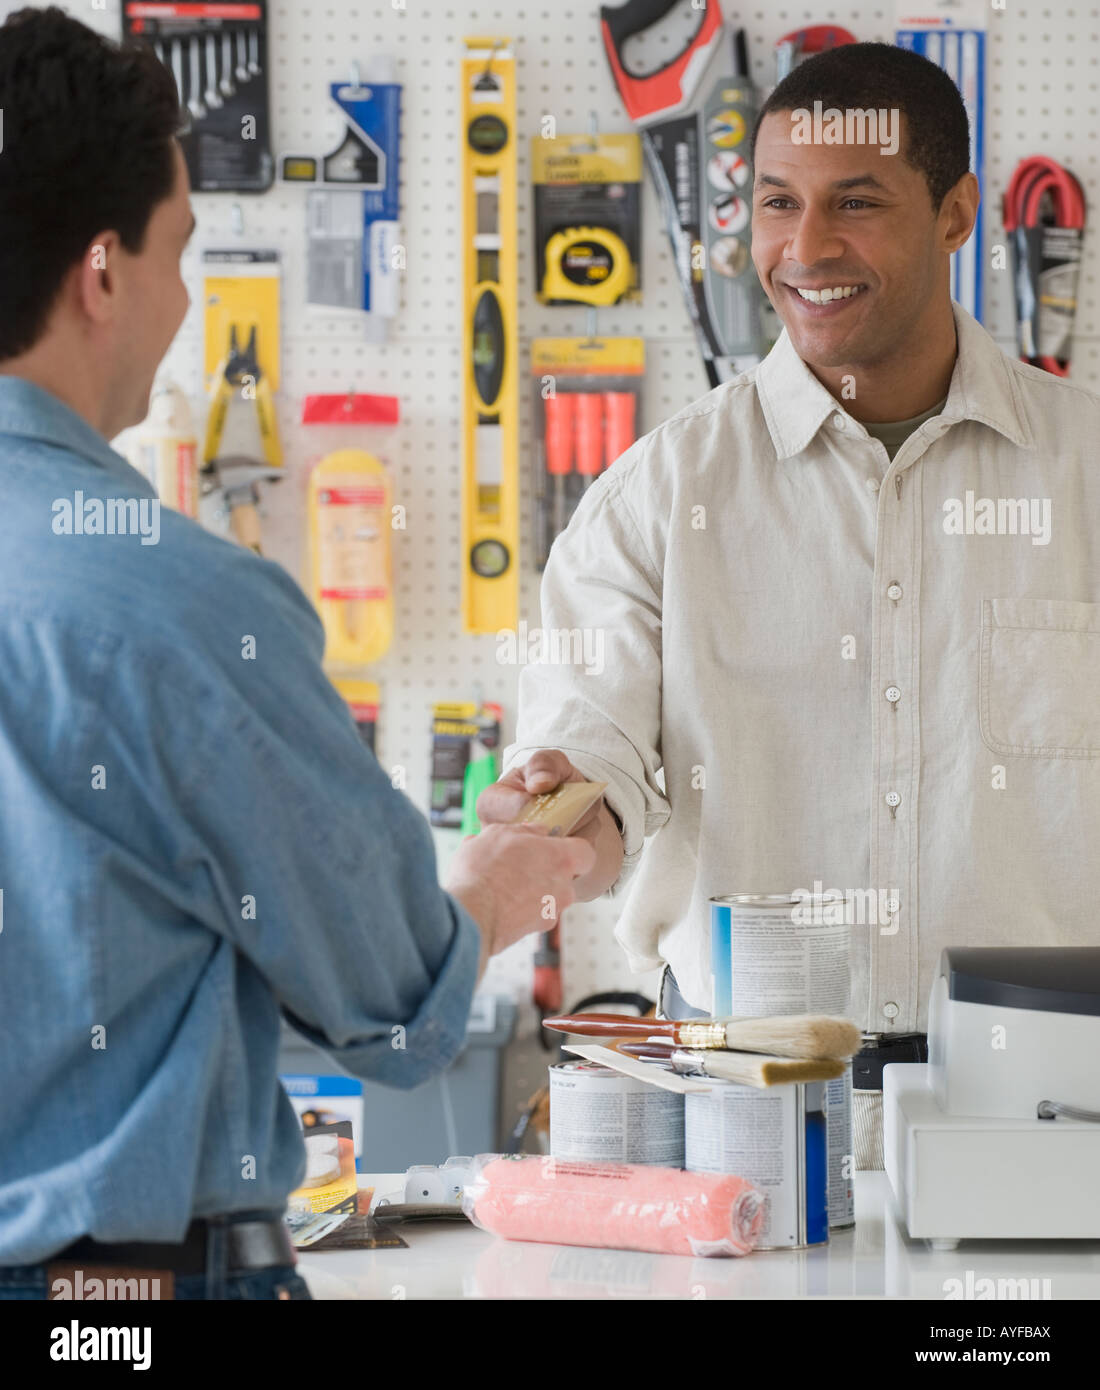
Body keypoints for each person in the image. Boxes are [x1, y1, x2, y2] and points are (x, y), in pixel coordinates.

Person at [0, 9, 593, 1299]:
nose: (184, 299)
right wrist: (501, 880)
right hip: (110, 1300)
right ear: (102, 271)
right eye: (181, 250)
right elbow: (388, 999)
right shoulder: (176, 602)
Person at [479, 42, 1100, 1170]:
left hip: (1052, 1130)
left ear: (956, 212)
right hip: (745, 1136)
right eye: (775, 204)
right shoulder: (657, 497)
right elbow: (595, 766)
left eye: (854, 204)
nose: (803, 250)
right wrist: (554, 816)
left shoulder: (1085, 477)